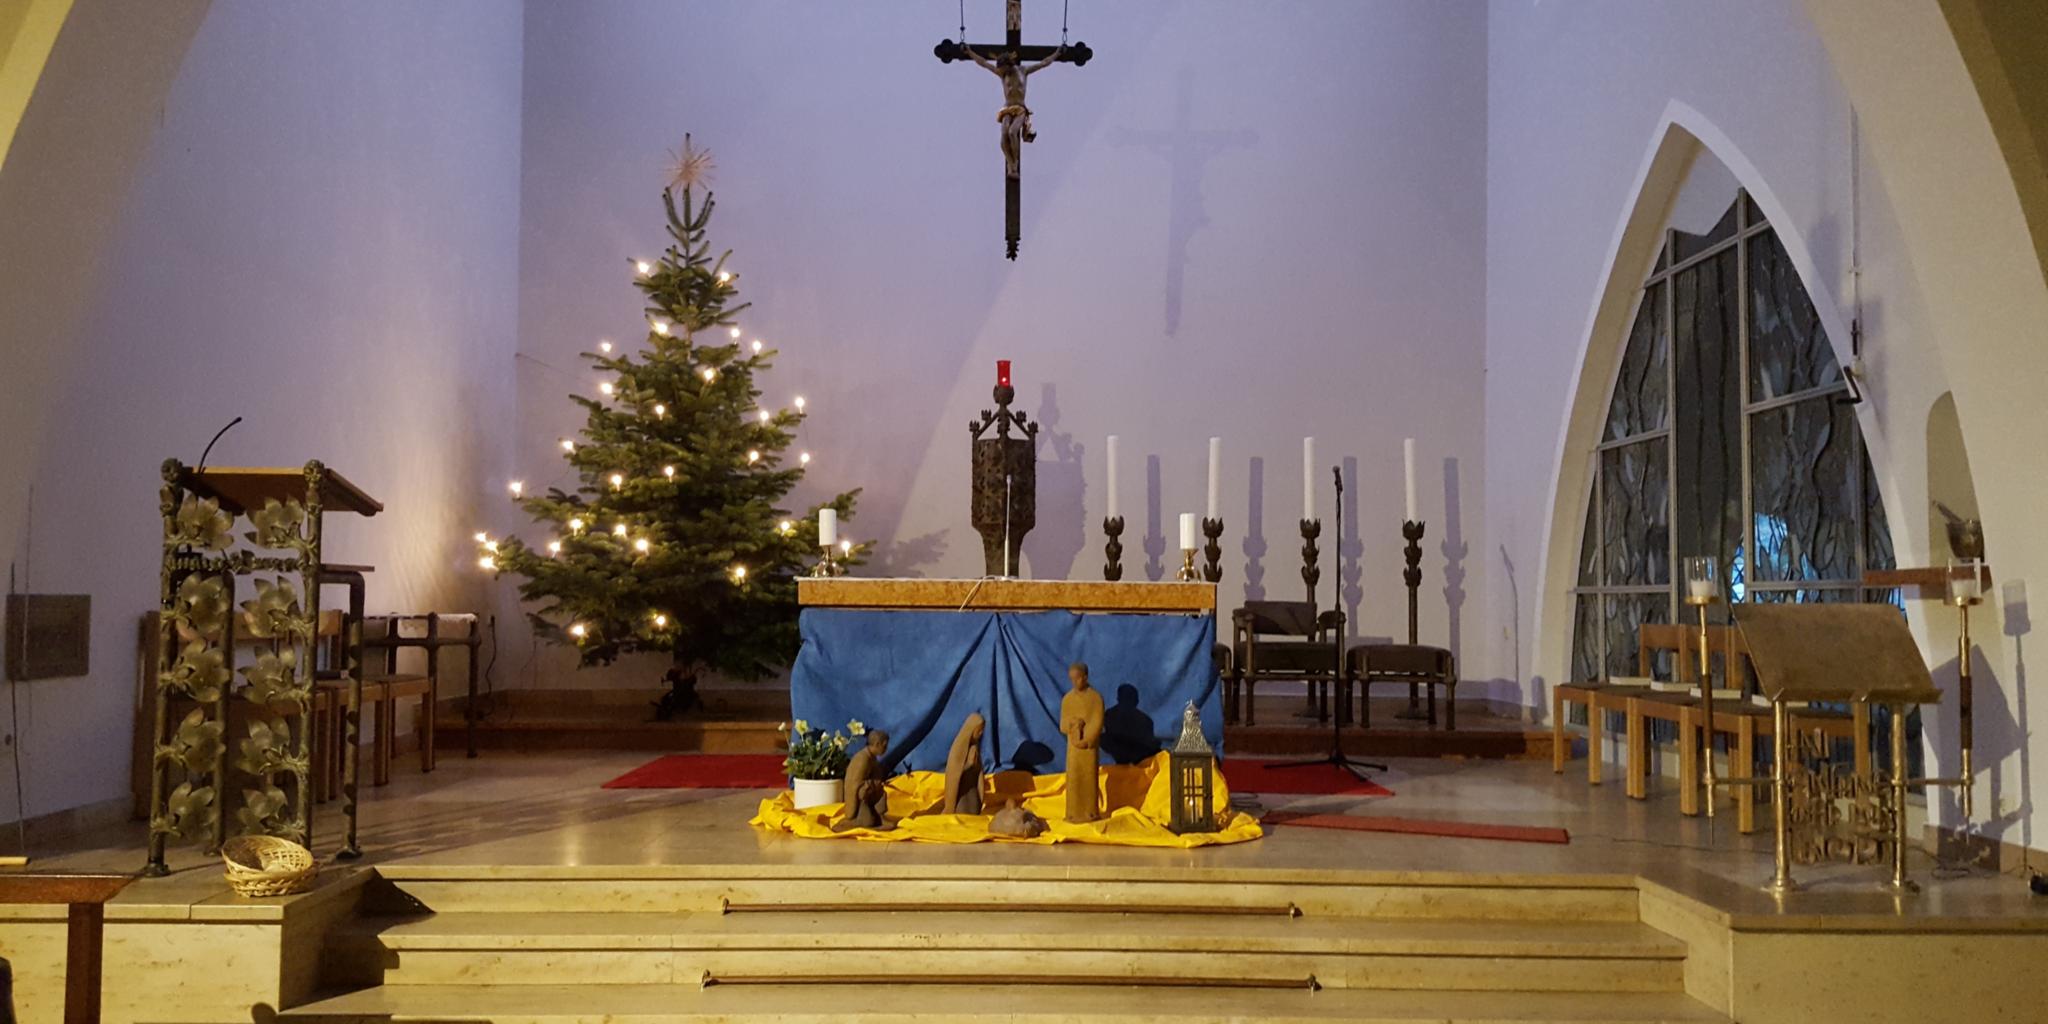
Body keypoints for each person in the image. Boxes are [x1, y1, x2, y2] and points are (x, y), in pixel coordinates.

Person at [961, 43, 1066, 178]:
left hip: (1020, 109)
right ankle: (1010, 164)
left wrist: (1057, 53)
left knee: (1012, 132)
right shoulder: (1002, 74)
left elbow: (1044, 63)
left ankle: (1015, 163)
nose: (1001, 70)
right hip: (1007, 108)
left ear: (1008, 64)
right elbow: (983, 63)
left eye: (1003, 68)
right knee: (1003, 136)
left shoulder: (1024, 71)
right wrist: (969, 52)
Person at [1060, 662, 1105, 823]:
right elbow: (1062, 724)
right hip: (1073, 748)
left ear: (1085, 677)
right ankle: (1072, 812)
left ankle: (1090, 812)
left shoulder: (1095, 698)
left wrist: (1087, 740)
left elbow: (1097, 721)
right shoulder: (1067, 699)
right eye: (1071, 679)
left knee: (1088, 779)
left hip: (1088, 748)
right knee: (1073, 779)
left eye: (1077, 679)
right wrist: (1072, 724)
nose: (1074, 682)